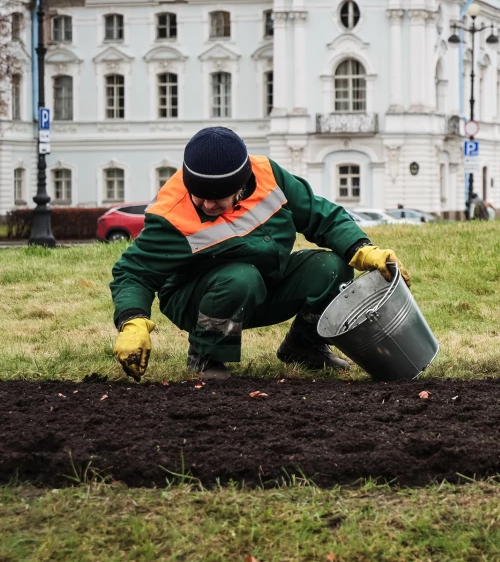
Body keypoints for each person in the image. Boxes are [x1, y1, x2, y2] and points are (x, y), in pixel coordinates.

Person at [110, 127, 408, 381]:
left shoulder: (268, 175)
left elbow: (322, 216)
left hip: (265, 282)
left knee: (331, 266)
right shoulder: (171, 215)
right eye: (199, 195)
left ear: (240, 186)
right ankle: (205, 355)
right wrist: (133, 320)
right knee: (242, 278)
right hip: (199, 297)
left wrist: (361, 248)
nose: (207, 205)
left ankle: (304, 346)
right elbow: (133, 272)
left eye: (217, 197)